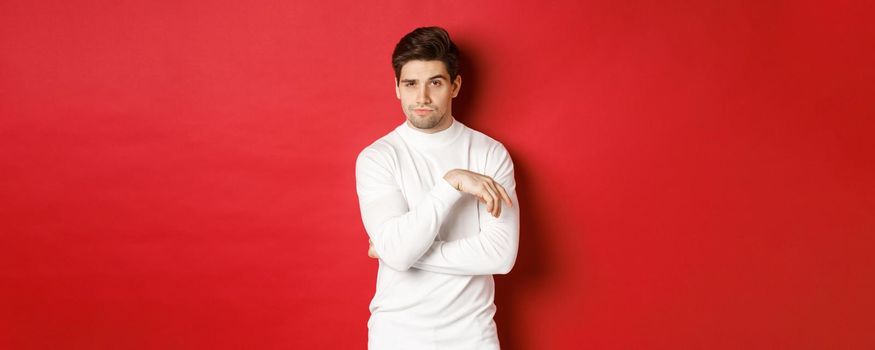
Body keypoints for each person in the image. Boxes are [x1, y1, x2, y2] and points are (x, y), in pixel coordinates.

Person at [355, 26, 520, 349]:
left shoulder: (490, 153)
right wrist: (451, 183)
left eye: (435, 83)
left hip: (473, 336)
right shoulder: (378, 157)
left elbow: (500, 256)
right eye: (411, 84)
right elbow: (398, 252)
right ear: (397, 88)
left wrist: (397, 251)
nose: (422, 97)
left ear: (455, 86)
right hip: (397, 336)